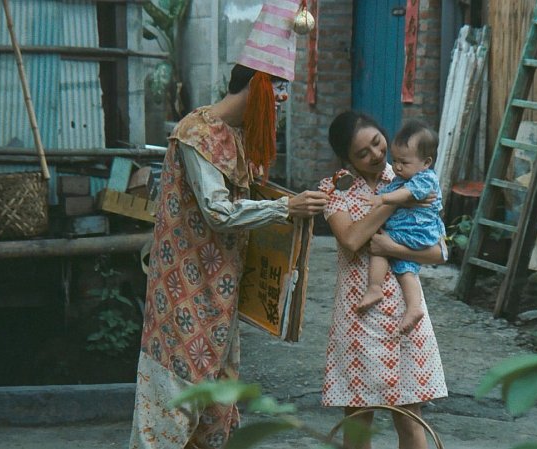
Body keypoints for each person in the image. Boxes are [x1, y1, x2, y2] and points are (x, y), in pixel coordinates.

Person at [129, 3, 327, 449]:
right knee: (174, 396)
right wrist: (285, 208)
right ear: (256, 84)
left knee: (216, 401)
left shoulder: (237, 137)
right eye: (278, 87)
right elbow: (219, 212)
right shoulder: (197, 132)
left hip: (220, 286)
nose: (282, 98)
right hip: (184, 287)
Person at [320, 111, 448, 449]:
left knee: (409, 417)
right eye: (362, 153)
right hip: (359, 314)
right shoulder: (336, 190)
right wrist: (394, 201)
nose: (376, 155)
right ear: (347, 159)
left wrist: (392, 247)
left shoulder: (411, 172)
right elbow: (351, 240)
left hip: (406, 310)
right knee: (358, 417)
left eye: (378, 143)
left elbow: (438, 252)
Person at [360, 119, 446, 337]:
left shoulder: (425, 178)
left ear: (426, 162)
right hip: (407, 231)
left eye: (404, 162)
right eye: (395, 160)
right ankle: (413, 307)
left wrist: (383, 199)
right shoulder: (403, 176)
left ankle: (374, 287)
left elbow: (406, 194)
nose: (397, 167)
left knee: (380, 248)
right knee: (406, 269)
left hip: (415, 230)